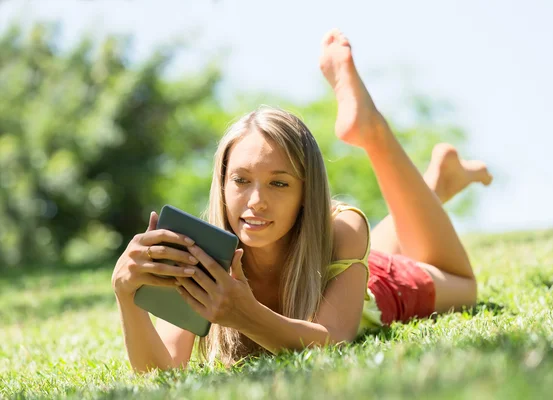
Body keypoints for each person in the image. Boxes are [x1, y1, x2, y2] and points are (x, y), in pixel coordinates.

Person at [111, 29, 493, 373]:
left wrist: (245, 314)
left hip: (372, 284)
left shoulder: (344, 228)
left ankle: (373, 131)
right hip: (338, 261)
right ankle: (437, 186)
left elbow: (333, 341)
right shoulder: (205, 256)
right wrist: (128, 298)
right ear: (222, 183)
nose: (256, 201)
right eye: (241, 180)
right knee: (375, 240)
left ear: (305, 194)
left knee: (464, 286)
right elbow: (162, 372)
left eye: (279, 184)